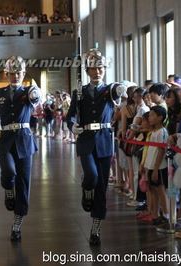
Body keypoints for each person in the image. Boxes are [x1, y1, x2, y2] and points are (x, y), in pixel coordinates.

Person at [66, 49, 127, 246]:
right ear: (88, 70)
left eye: (101, 68)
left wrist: (121, 90)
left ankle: (96, 227)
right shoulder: (79, 91)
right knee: (91, 176)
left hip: (103, 139)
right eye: (94, 68)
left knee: (101, 185)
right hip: (85, 139)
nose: (98, 71)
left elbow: (119, 91)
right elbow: (71, 115)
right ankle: (86, 188)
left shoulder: (109, 90)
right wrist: (72, 125)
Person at [0, 56, 41, 242]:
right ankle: (7, 188)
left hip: (24, 140)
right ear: (6, 74)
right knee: (9, 172)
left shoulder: (29, 92)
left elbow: (36, 98)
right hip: (5, 140)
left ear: (23, 73)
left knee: (24, 182)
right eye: (12, 73)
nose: (15, 76)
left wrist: (35, 94)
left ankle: (17, 222)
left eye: (19, 73)